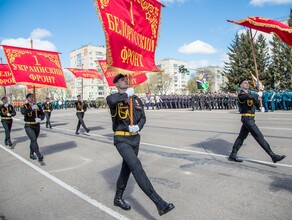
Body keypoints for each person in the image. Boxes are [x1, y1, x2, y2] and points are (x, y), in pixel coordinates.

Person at [106, 74, 174, 216]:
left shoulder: (136, 100)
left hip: (135, 139)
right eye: (122, 79)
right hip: (121, 139)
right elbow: (111, 100)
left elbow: (143, 117)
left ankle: (117, 198)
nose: (126, 80)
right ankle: (159, 203)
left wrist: (138, 127)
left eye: (126, 78)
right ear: (116, 84)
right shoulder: (114, 98)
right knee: (137, 166)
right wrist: (125, 94)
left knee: (127, 169)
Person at [228, 78, 286, 163]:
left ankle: (233, 155)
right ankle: (272, 155)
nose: (247, 84)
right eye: (245, 83)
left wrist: (260, 104)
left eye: (248, 83)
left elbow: (255, 102)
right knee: (259, 136)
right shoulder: (241, 94)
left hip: (251, 118)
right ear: (241, 85)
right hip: (247, 119)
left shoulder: (250, 93)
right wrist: (257, 95)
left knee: (241, 137)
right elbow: (249, 97)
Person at [20, 93, 45, 161]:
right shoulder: (25, 106)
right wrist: (31, 108)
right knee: (33, 139)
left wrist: (40, 119)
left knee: (33, 140)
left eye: (33, 97)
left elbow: (42, 114)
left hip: (36, 125)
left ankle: (31, 153)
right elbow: (23, 112)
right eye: (30, 97)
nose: (32, 98)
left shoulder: (38, 106)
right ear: (27, 99)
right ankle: (39, 154)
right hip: (29, 125)